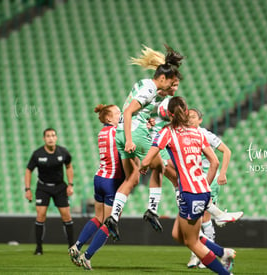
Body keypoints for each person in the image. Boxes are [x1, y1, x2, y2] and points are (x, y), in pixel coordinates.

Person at [140, 96, 236, 274]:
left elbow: (147, 159)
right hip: (201, 191)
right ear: (185, 112)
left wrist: (141, 167)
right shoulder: (197, 132)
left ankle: (225, 271)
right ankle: (224, 252)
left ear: (168, 113)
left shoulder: (167, 132)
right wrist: (204, 186)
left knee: (192, 242)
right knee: (178, 235)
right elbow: (214, 162)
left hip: (189, 193)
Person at [104, 45, 184, 240]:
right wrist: (132, 140)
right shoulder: (151, 88)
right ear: (163, 78)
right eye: (170, 83)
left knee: (131, 178)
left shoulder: (143, 83)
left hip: (120, 134)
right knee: (159, 168)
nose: (170, 88)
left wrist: (146, 118)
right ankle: (152, 209)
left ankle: (113, 217)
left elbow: (135, 109)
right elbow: (129, 111)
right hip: (134, 134)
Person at [187, 108, 244, 268]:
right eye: (187, 117)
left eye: (193, 117)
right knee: (195, 216)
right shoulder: (183, 135)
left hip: (208, 175)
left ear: (199, 120)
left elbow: (226, 151)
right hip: (193, 177)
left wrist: (222, 174)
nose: (189, 119)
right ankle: (199, 253)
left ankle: (203, 255)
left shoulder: (205, 134)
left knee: (202, 214)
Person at [68, 104, 123, 270]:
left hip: (99, 178)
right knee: (110, 222)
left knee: (99, 217)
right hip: (111, 181)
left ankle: (76, 246)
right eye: (117, 113)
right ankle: (87, 256)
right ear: (108, 118)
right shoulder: (116, 132)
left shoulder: (103, 132)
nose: (121, 115)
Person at [25, 128, 74, 255]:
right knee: (40, 215)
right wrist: (27, 189)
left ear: (56, 138)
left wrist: (70, 184)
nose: (51, 138)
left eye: (53, 135)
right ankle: (39, 248)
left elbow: (69, 167)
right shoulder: (37, 154)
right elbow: (28, 170)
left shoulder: (63, 152)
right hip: (43, 187)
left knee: (67, 216)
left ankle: (72, 247)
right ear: (44, 139)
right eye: (48, 136)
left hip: (59, 187)